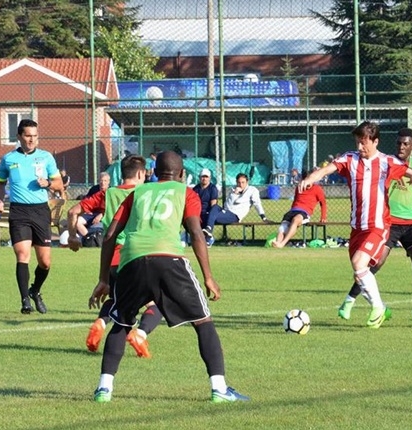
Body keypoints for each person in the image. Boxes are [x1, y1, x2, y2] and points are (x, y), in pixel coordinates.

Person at [88, 150, 249, 403]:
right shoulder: (186, 192)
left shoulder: (137, 192)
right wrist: (208, 277)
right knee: (203, 322)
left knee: (121, 322)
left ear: (153, 173)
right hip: (169, 259)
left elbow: (109, 236)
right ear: (182, 174)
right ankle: (219, 388)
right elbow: (196, 233)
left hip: (132, 261)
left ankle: (103, 389)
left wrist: (104, 279)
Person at [299, 121, 412, 329]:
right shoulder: (350, 159)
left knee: (359, 263)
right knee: (360, 274)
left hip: (378, 226)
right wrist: (311, 178)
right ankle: (381, 307)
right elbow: (326, 170)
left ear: (376, 141)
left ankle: (377, 309)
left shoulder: (387, 162)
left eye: (363, 143)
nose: (359, 147)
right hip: (357, 228)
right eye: (357, 143)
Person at [336, 127, 412, 323]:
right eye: (398, 142)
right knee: (371, 265)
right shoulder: (386, 163)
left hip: (410, 223)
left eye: (405, 143)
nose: (401, 146)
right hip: (387, 222)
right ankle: (350, 300)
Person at [68, 155, 162, 356]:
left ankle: (101, 322)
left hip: (112, 257)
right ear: (140, 173)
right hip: (139, 255)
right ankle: (141, 334)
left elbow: (72, 211)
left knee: (117, 297)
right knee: (156, 303)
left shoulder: (107, 194)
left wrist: (74, 237)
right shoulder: (146, 192)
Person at [0, 119, 63, 314]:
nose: (32, 139)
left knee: (45, 262)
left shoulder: (46, 157)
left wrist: (48, 184)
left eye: (34, 136)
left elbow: (59, 185)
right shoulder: (9, 159)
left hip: (40, 211)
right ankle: (25, 300)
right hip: (19, 211)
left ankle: (35, 290)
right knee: (22, 254)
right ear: (19, 137)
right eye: (28, 135)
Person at [202, 173, 269, 245]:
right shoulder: (234, 189)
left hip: (234, 215)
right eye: (239, 182)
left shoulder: (252, 190)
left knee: (209, 217)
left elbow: (257, 204)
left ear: (247, 182)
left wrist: (263, 217)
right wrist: (234, 193)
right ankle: (207, 233)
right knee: (212, 209)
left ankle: (208, 238)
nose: (241, 184)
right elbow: (227, 205)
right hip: (225, 211)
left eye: (243, 182)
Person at [271, 170, 327, 248]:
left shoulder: (317, 189)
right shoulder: (299, 187)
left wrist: (323, 217)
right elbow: (295, 200)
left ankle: (282, 243)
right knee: (283, 228)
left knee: (296, 220)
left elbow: (323, 203)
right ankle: (277, 243)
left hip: (304, 212)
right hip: (293, 210)